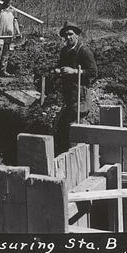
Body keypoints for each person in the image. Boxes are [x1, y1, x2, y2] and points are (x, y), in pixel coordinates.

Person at [52, 21, 97, 155]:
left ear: (77, 35)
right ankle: (63, 156)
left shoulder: (83, 51)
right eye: (66, 35)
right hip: (69, 95)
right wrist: (58, 71)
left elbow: (93, 71)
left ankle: (80, 156)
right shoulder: (64, 51)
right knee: (60, 128)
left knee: (76, 128)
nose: (68, 38)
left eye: (71, 34)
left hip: (81, 95)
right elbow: (60, 65)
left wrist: (75, 72)